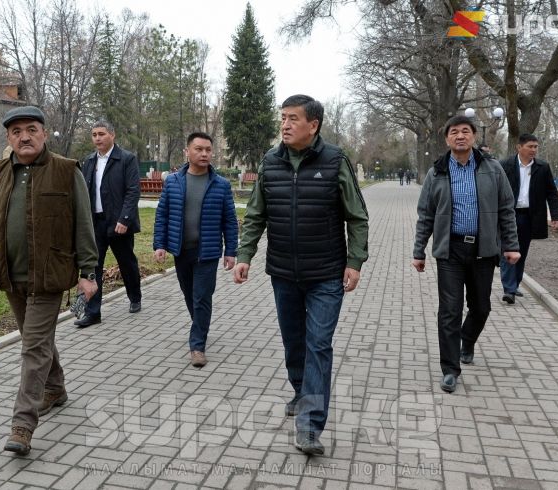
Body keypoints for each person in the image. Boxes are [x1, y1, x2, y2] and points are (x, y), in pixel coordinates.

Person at [0, 106, 98, 456]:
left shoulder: (66, 171)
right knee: (35, 340)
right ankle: (55, 388)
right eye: (16, 132)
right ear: (9, 138)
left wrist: (88, 273)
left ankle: (22, 426)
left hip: (50, 276)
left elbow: (83, 225)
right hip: (10, 275)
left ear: (44, 133)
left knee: (33, 348)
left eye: (31, 129)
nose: (24, 137)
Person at [233, 94, 369, 456]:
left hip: (326, 273)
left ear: (314, 125)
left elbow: (357, 216)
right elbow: (256, 214)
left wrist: (355, 261)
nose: (285, 125)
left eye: (293, 118)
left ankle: (309, 426)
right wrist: (245, 255)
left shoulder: (335, 160)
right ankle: (300, 389)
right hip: (283, 273)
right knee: (294, 342)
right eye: (282, 118)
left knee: (318, 344)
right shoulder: (270, 162)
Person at [411, 115, 520, 394]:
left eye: (465, 131)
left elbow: (506, 209)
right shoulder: (437, 172)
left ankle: (467, 340)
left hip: (483, 250)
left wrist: (511, 245)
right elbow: (425, 214)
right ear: (447, 139)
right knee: (449, 310)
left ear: (473, 136)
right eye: (454, 132)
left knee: (481, 307)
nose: (460, 136)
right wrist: (418, 251)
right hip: (450, 251)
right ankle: (450, 369)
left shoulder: (492, 169)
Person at [153, 132, 239, 368]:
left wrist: (231, 251)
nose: (204, 154)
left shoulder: (221, 184)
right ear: (187, 152)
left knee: (202, 297)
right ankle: (200, 325)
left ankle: (197, 345)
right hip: (181, 250)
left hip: (207, 252)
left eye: (208, 150)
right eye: (199, 149)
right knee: (190, 295)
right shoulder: (173, 182)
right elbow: (162, 215)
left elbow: (230, 221)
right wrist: (159, 244)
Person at [75, 120, 142, 327]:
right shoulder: (89, 161)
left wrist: (124, 219)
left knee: (127, 263)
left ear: (112, 135)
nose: (97, 138)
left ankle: (135, 297)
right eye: (94, 134)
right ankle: (93, 313)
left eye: (101, 134)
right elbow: (83, 191)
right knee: (93, 266)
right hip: (95, 223)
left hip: (118, 223)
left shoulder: (126, 159)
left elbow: (133, 191)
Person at [499, 134, 558, 304]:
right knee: (508, 250)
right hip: (508, 215)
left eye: (535, 147)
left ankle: (515, 283)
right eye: (530, 146)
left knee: (521, 252)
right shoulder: (505, 165)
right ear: (519, 147)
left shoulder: (542, 167)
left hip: (529, 216)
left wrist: (555, 215)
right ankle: (509, 289)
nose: (534, 150)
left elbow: (551, 193)